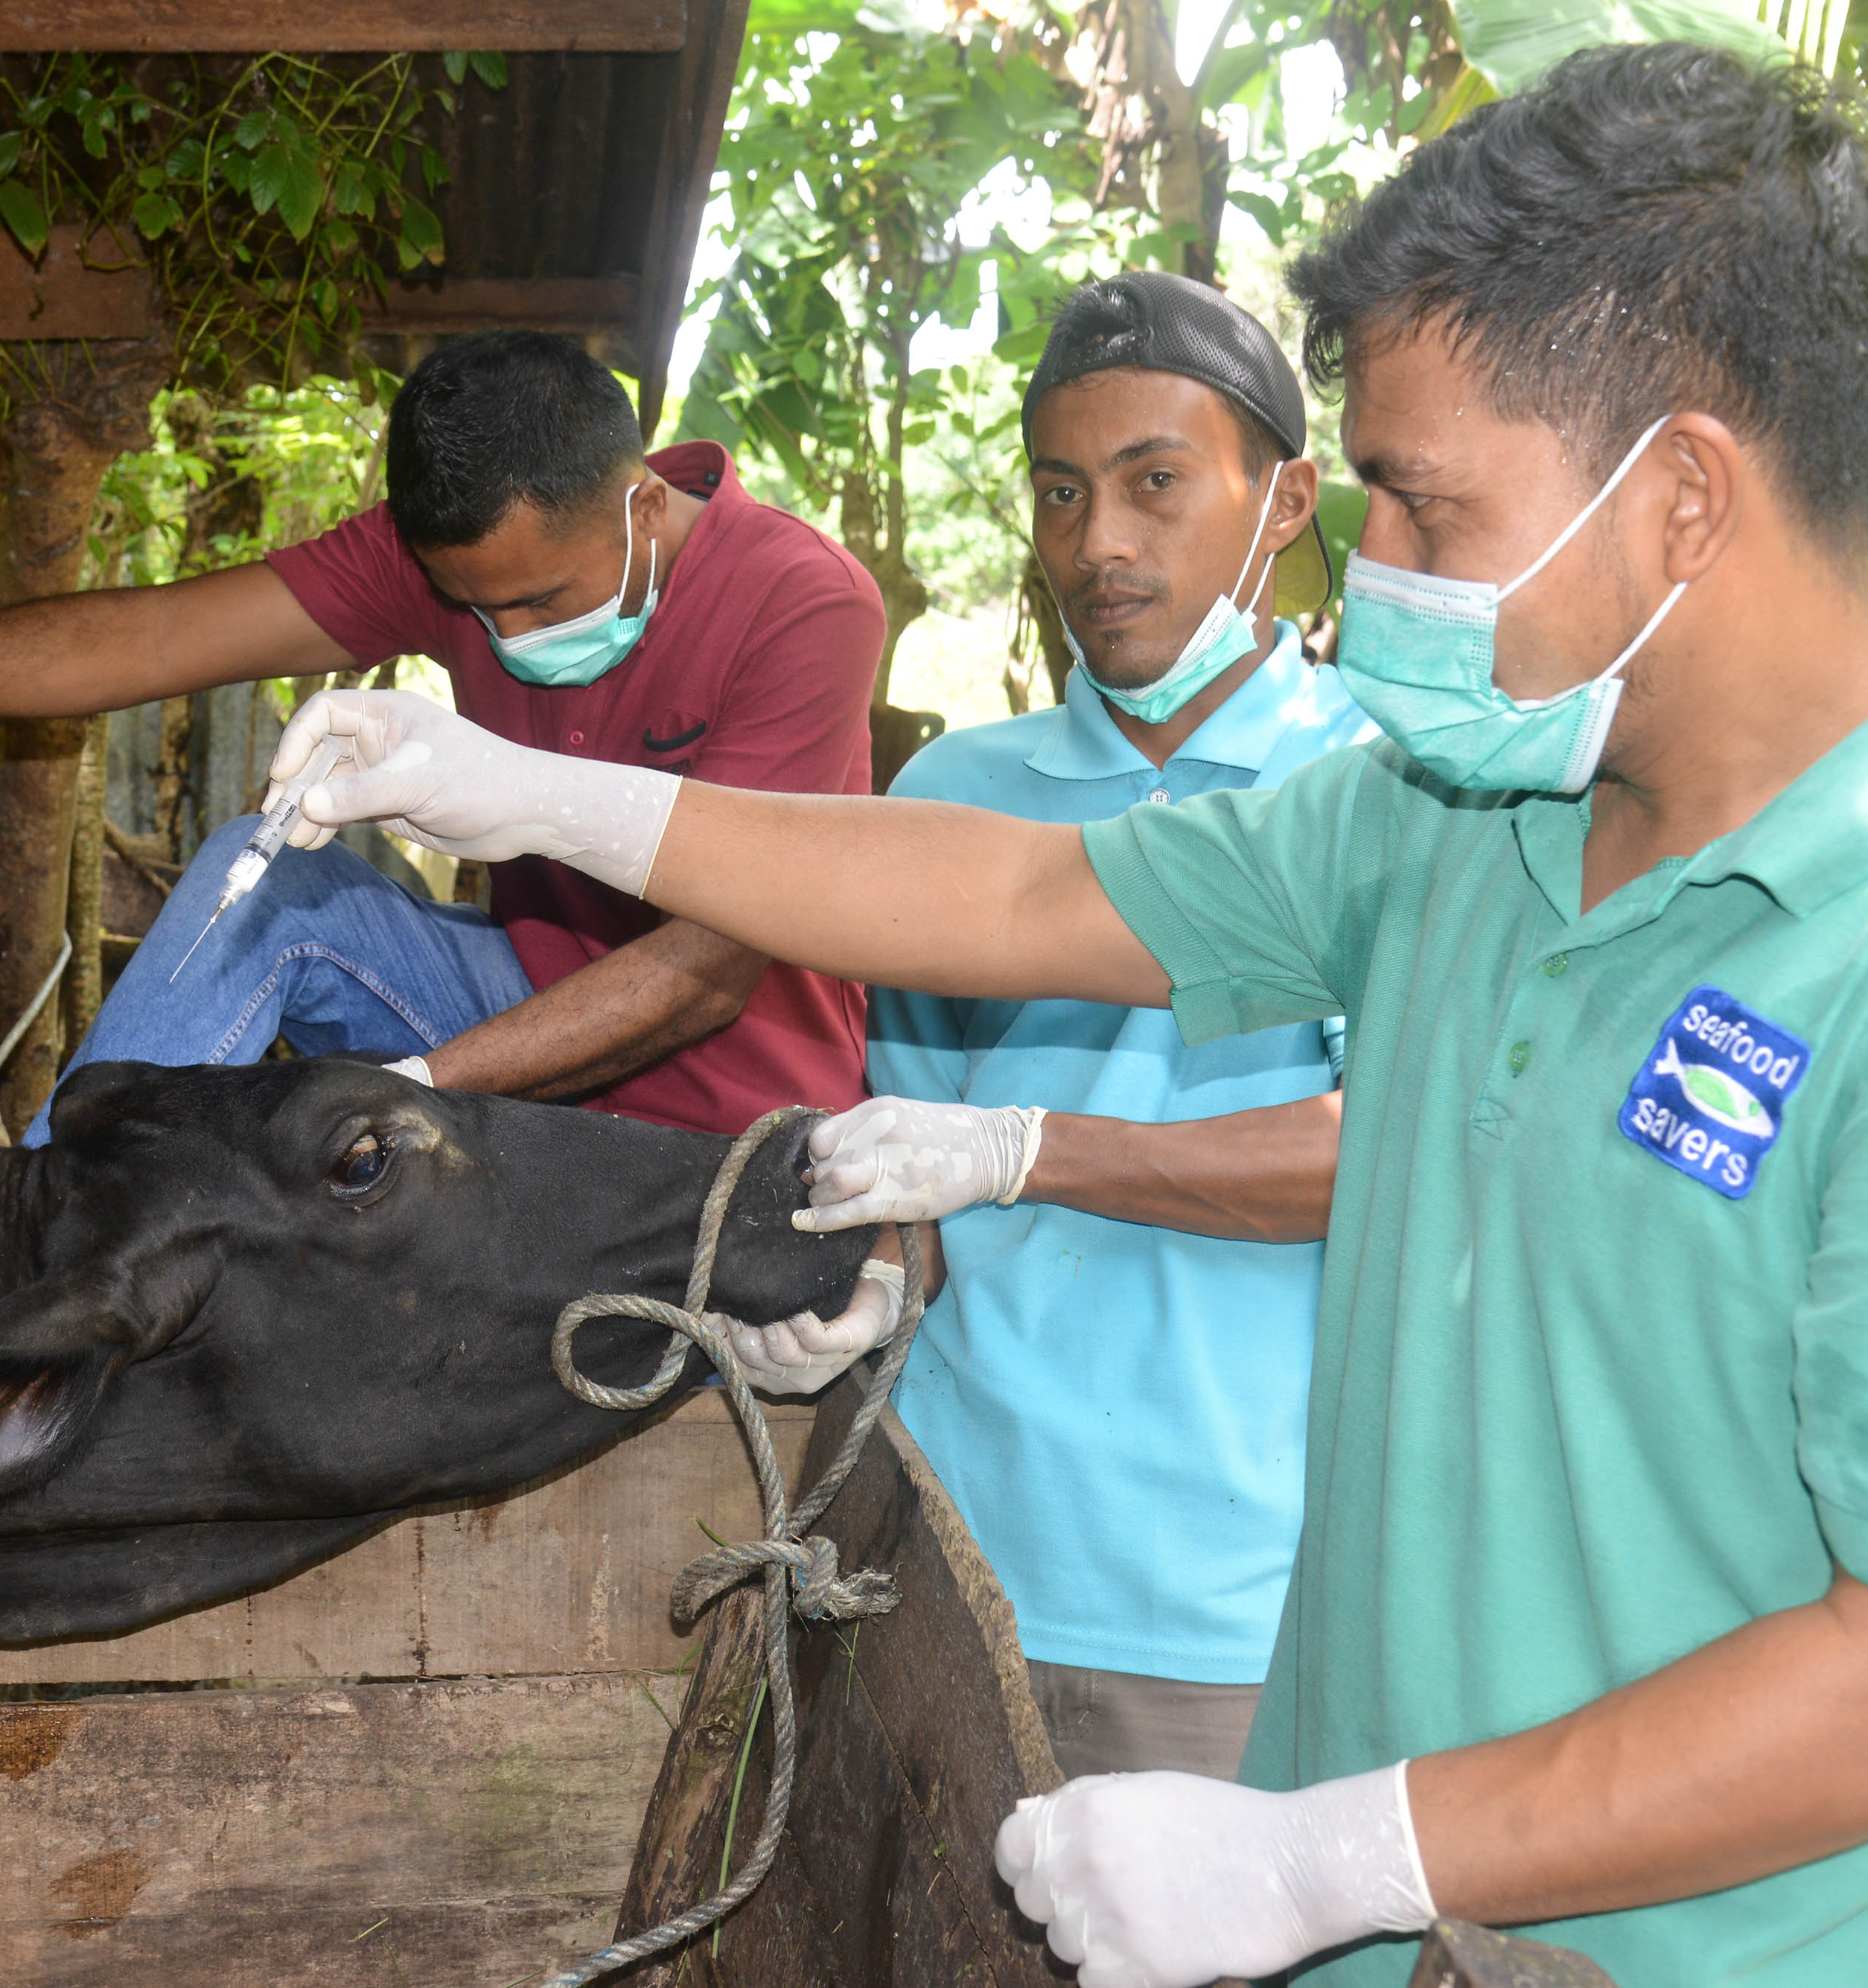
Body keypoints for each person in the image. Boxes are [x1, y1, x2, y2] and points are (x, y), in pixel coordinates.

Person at [258, 43, 1868, 1988]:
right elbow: (1019, 892)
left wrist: (1341, 1850)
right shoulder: (1458, 819)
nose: (1377, 585)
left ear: (1681, 496)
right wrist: (536, 792)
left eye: (1426, 511)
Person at [0, 331, 887, 1147]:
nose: (510, 635)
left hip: (739, 1112)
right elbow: (157, 637)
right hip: (531, 1000)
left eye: (540, 600)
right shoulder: (460, 555)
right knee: (262, 882)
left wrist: (405, 1092)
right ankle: (52, 1212)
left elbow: (706, 971)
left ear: (643, 506)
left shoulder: (802, 603)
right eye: (476, 609)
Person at [829, 270, 1377, 1782]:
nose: (1098, 545)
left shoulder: (1384, 788)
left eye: (1154, 483)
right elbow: (916, 1162)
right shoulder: (954, 794)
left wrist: (1032, 1150)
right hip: (944, 1565)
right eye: (1061, 492)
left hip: (1242, 1609)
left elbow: (1384, 1156)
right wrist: (865, 1284)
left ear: (1283, 502)